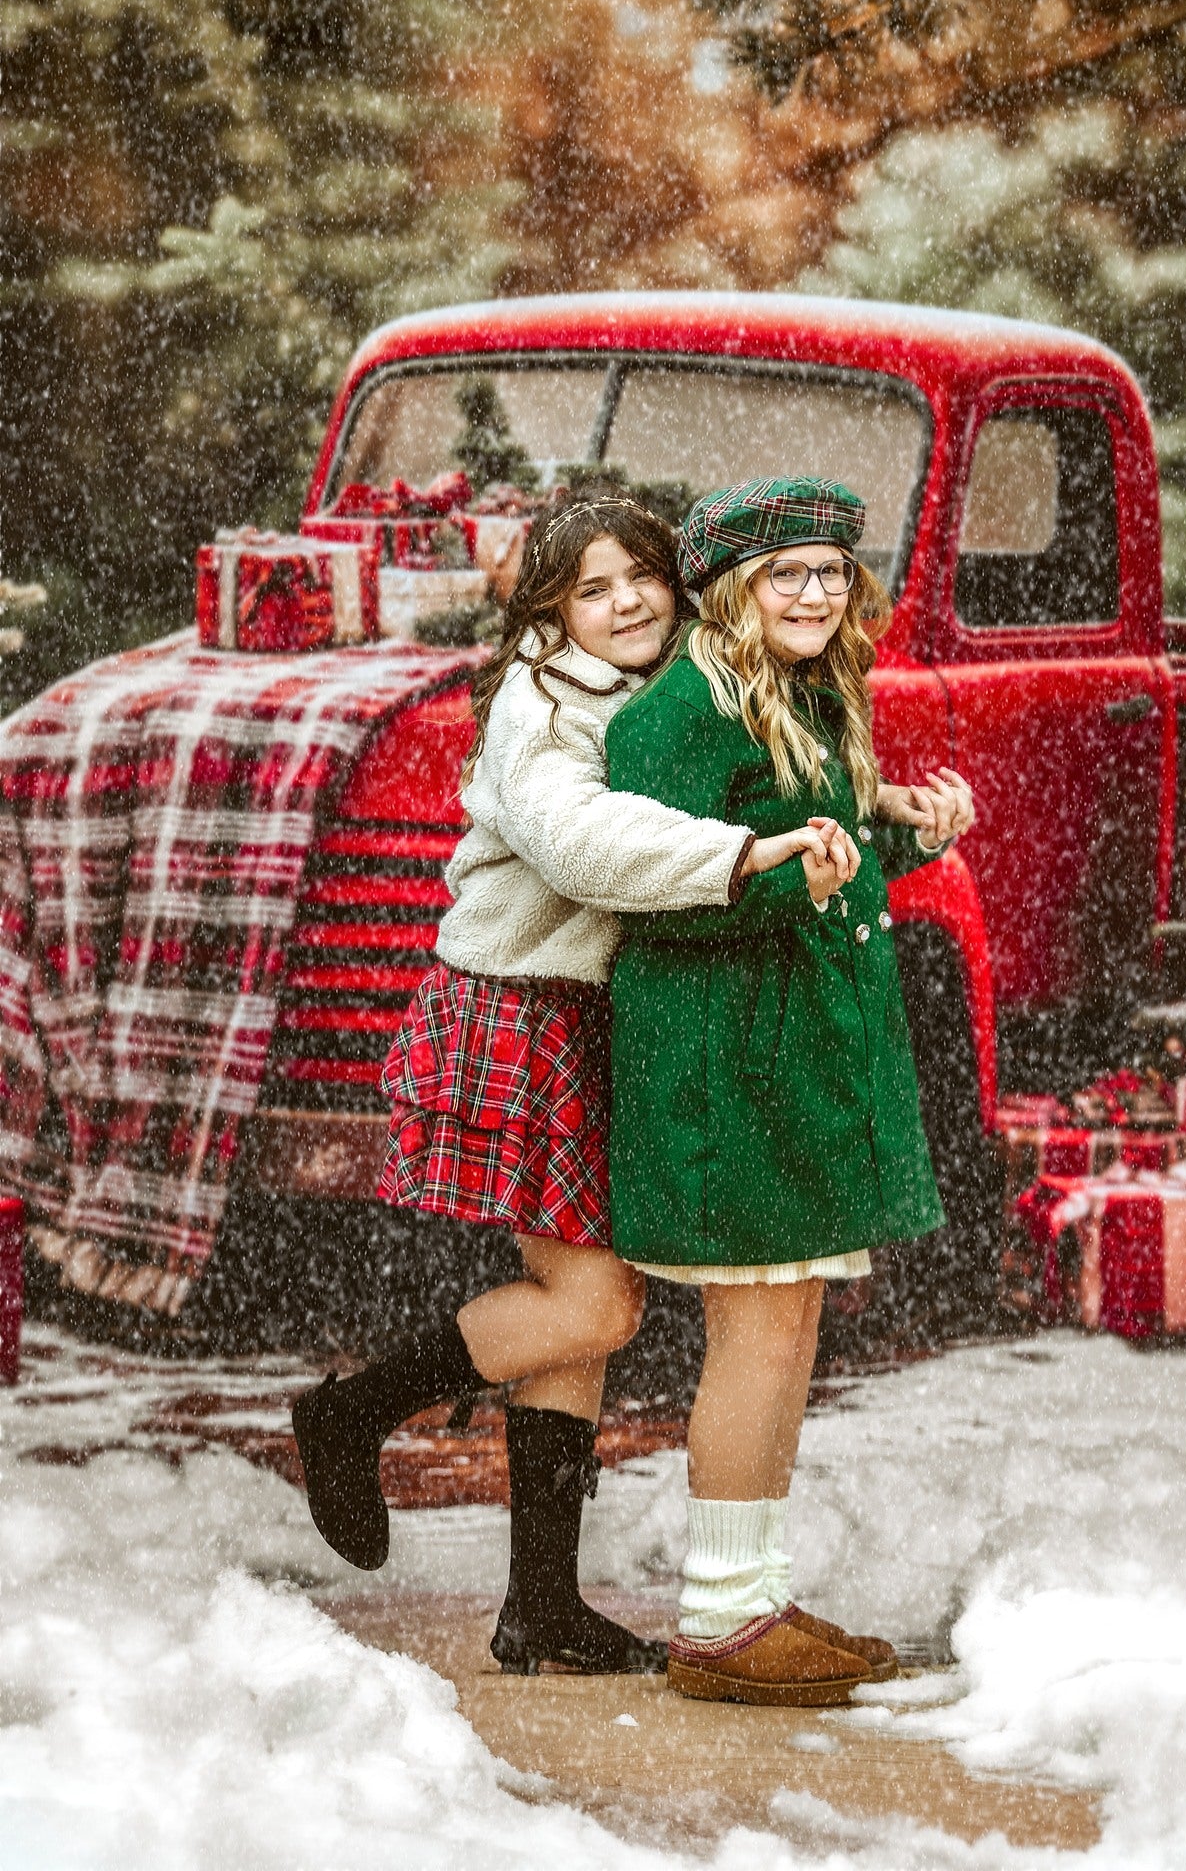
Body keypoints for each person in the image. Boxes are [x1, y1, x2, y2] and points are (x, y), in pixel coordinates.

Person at [291, 488, 859, 1676]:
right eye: (589, 590)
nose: (624, 604)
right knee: (596, 1303)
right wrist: (741, 859)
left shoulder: (666, 684)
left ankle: (538, 1605)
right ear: (551, 611)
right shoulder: (537, 704)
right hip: (524, 1009)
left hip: (616, 1014)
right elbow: (577, 839)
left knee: (583, 1311)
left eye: (639, 577)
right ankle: (350, 1412)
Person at [604, 476, 975, 1707]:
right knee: (754, 1331)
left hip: (790, 1050)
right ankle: (717, 1620)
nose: (813, 593)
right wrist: (780, 878)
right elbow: (650, 880)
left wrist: (901, 830)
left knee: (789, 1323)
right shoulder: (679, 714)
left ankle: (751, 1595)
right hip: (727, 1061)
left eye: (828, 571)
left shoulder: (803, 691)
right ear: (731, 590)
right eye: (784, 574)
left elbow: (814, 836)